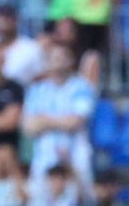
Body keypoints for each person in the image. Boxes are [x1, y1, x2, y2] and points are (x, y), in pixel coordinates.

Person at [23, 42, 97, 189]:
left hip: (75, 154)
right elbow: (29, 127)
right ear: (47, 61)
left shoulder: (82, 87)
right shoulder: (36, 91)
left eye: (63, 57)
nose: (59, 61)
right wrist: (60, 121)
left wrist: (43, 120)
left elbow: (75, 122)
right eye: (55, 57)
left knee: (77, 204)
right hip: (44, 156)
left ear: (71, 61)